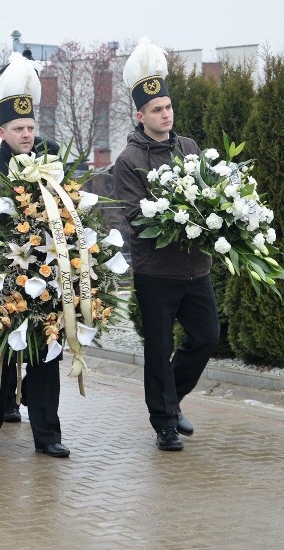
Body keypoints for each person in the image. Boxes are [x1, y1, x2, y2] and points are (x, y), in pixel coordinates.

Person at [0, 51, 70, 458]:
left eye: (30, 127)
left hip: (43, 273)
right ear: (0, 129)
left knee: (47, 351)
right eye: (18, 128)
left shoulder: (51, 159)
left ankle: (48, 434)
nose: (27, 135)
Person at [112, 38, 219, 451]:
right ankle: (164, 426)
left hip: (196, 268)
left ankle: (170, 401)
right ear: (140, 116)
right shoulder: (129, 161)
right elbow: (137, 220)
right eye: (157, 110)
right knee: (159, 349)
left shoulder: (189, 148)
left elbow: (209, 193)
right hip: (156, 271)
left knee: (207, 337)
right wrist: (178, 218)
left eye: (169, 107)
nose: (166, 114)